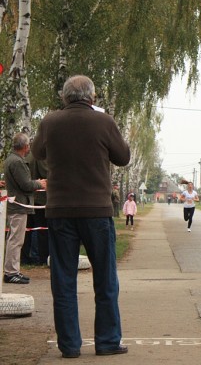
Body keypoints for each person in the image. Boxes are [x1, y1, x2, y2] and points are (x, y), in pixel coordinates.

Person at [31, 75, 130, 358]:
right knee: (105, 278)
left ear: (65, 97)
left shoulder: (50, 121)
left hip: (60, 210)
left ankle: (69, 345)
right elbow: (123, 157)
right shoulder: (104, 122)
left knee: (63, 279)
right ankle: (108, 341)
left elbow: (37, 152)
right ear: (92, 97)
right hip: (96, 211)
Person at [3, 133, 46, 284]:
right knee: (16, 240)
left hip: (17, 204)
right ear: (26, 146)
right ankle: (11, 272)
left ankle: (13, 270)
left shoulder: (12, 160)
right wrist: (39, 183)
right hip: (18, 205)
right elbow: (26, 184)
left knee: (16, 239)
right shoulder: (17, 162)